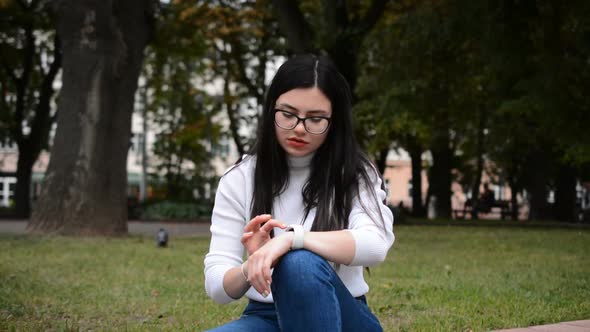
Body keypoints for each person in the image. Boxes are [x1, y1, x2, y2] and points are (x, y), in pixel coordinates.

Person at [204, 54, 395, 331]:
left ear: (334, 122)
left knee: (299, 265)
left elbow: (376, 244)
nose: (299, 129)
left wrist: (293, 239)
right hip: (265, 317)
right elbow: (217, 286)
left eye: (315, 119)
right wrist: (254, 264)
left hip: (344, 318)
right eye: (288, 114)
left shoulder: (355, 173)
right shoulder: (240, 178)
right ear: (271, 111)